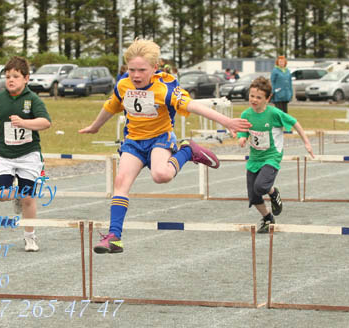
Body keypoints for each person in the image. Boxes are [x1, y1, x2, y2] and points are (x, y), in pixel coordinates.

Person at [79, 39, 251, 254]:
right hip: (133, 142)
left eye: (142, 70)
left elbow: (194, 105)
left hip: (160, 139)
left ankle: (187, 150)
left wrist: (225, 122)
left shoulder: (165, 88)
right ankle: (114, 237)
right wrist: (95, 127)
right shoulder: (123, 85)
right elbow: (110, 106)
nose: (136, 75)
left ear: (155, 68)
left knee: (161, 175)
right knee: (120, 183)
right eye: (131, 70)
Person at [0, 56, 51, 252]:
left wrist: (25, 123)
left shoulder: (32, 100)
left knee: (29, 198)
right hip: (3, 154)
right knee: (0, 195)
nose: (11, 80)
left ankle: (30, 237)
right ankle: (18, 195)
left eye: (15, 76)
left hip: (29, 155)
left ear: (26, 78)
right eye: (8, 76)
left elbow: (45, 122)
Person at [237, 77, 315, 234]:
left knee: (261, 186)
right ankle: (267, 217)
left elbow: (294, 122)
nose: (254, 100)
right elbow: (243, 130)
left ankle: (273, 193)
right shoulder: (246, 114)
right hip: (255, 158)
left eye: (259, 97)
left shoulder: (274, 113)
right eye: (252, 96)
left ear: (268, 98)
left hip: (272, 156)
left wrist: (306, 142)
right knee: (253, 195)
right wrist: (242, 138)